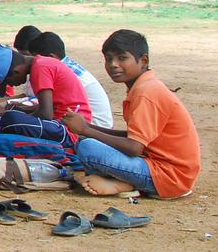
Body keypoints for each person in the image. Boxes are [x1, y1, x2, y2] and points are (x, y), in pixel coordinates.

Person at [63, 30, 199, 199]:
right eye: (108, 59)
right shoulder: (144, 86)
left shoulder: (146, 92)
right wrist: (86, 127)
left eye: (122, 58)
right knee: (86, 141)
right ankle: (122, 183)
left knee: (87, 146)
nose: (113, 64)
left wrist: (85, 129)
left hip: (169, 177)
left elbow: (134, 147)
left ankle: (125, 184)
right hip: (162, 168)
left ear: (143, 61)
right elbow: (134, 137)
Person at [0, 44, 92, 147]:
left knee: (10, 119)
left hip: (70, 129)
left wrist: (16, 113)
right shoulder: (40, 63)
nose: (11, 85)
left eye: (8, 81)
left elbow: (46, 114)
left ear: (16, 71)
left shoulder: (40, 69)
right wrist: (17, 109)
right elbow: (49, 106)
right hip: (63, 122)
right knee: (12, 114)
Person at [28, 31, 113, 129]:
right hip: (90, 120)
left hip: (92, 124)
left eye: (34, 58)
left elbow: (46, 111)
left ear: (51, 57)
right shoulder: (66, 66)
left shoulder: (54, 69)